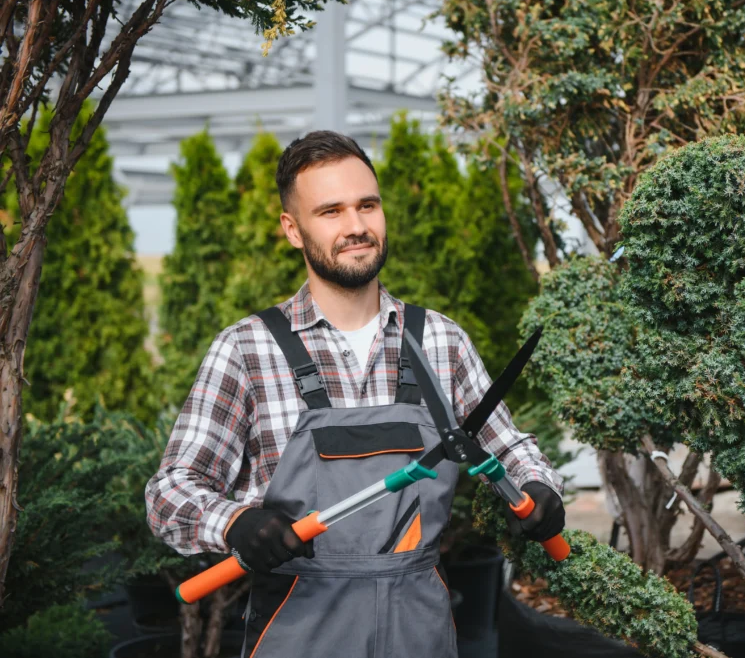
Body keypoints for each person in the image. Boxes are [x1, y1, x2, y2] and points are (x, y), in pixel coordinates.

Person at [145, 130, 565, 658]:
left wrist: (538, 487)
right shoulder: (247, 349)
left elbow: (507, 448)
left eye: (368, 205)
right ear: (292, 230)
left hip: (420, 624)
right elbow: (168, 493)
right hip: (302, 623)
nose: (357, 227)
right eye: (331, 211)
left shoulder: (440, 340)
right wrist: (234, 522)